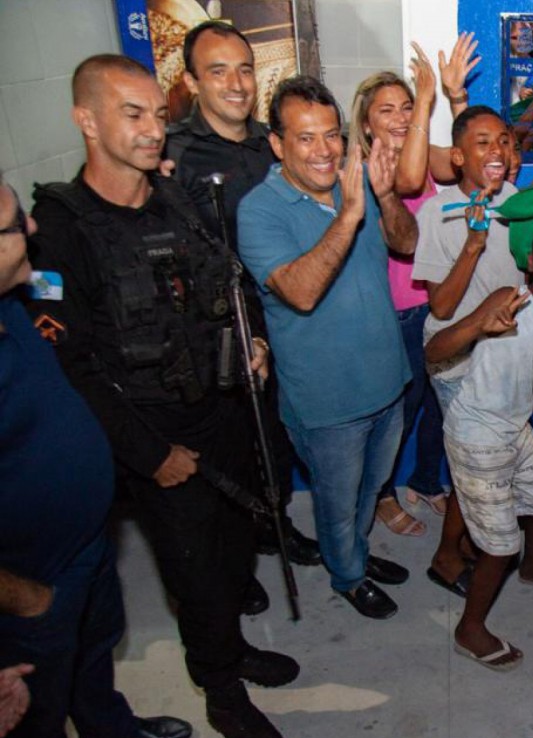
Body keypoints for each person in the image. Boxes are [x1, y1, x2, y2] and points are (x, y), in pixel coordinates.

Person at [24, 55, 294, 738]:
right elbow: (71, 366)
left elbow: (227, 287)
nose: (153, 131)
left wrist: (252, 344)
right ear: (86, 120)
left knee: (236, 552)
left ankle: (229, 651)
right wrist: (150, 455)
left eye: (156, 113)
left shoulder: (175, 196)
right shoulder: (61, 230)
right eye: (132, 114)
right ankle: (221, 690)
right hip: (155, 434)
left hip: (225, 408)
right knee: (194, 571)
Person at [1, 171, 193, 738]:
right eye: (14, 225)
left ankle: (111, 732)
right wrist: (29, 600)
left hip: (82, 545)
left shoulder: (12, 301)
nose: (32, 228)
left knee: (91, 661)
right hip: (27, 580)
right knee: (33, 719)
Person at [237, 76, 414, 620]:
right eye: (306, 138)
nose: (323, 151)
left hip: (388, 381)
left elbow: (406, 244)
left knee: (372, 489)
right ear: (277, 143)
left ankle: (354, 556)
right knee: (338, 508)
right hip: (328, 404)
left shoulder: (354, 183)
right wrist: (349, 215)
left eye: (332, 136)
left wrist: (381, 195)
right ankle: (347, 575)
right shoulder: (259, 210)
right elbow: (300, 292)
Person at [164, 21, 321, 610]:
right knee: (229, 447)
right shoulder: (175, 155)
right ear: (191, 81)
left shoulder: (272, 145)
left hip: (282, 316)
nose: (236, 84)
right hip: (217, 329)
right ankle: (239, 557)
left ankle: (274, 526)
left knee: (276, 438)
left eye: (245, 69)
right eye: (218, 71)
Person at [425, 220, 533, 671]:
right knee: (500, 547)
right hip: (475, 434)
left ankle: (532, 568)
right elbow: (435, 350)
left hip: (514, 428)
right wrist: (478, 327)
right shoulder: (508, 300)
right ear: (530, 263)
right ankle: (470, 629)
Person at [347, 37, 478, 538]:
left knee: (438, 405)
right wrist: (427, 100)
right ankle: (380, 493)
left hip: (436, 305)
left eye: (406, 106)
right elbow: (404, 186)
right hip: (393, 314)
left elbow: (466, 160)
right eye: (388, 110)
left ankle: (425, 480)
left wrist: (456, 97)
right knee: (396, 410)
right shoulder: (368, 168)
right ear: (366, 123)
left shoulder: (423, 155)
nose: (401, 117)